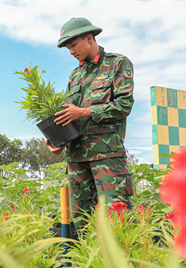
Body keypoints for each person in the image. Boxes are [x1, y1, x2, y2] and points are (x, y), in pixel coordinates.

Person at [46, 17, 134, 231]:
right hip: (77, 160)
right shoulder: (75, 76)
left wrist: (85, 111)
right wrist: (58, 144)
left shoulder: (117, 63)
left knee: (116, 221)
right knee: (81, 222)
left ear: (89, 37)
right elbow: (69, 116)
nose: (71, 52)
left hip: (107, 158)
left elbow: (124, 105)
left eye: (73, 45)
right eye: (68, 48)